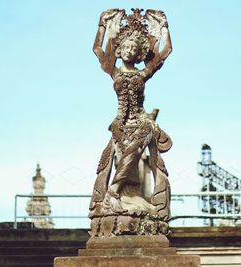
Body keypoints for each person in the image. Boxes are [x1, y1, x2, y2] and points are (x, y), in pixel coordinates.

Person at [89, 8, 173, 221]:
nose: (128, 50)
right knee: (118, 161)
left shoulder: (143, 74)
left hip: (141, 124)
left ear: (138, 54)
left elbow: (166, 50)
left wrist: (163, 27)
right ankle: (116, 198)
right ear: (119, 50)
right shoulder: (114, 71)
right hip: (119, 125)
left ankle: (113, 193)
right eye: (125, 46)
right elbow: (97, 49)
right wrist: (102, 26)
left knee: (131, 158)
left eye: (133, 48)